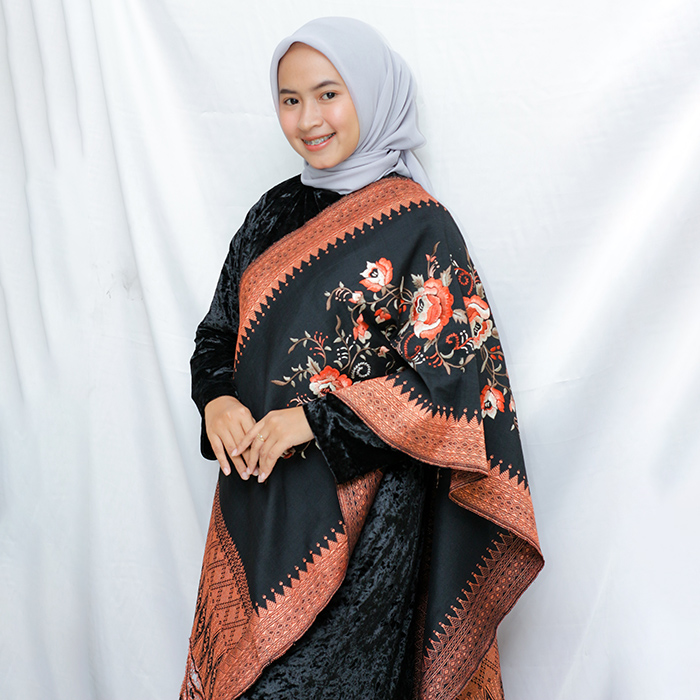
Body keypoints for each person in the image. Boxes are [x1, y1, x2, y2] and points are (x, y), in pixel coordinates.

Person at [180, 17, 543, 700]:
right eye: (290, 100)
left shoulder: (421, 227)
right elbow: (217, 334)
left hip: (370, 532)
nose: (308, 120)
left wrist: (314, 421)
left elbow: (454, 384)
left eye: (328, 94)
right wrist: (218, 399)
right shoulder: (269, 216)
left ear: (372, 94)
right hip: (261, 509)